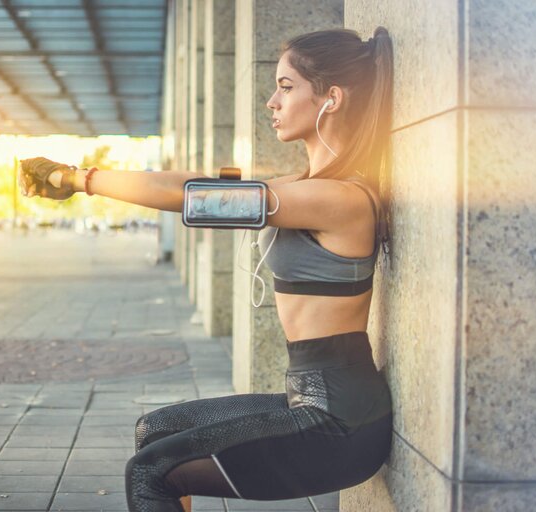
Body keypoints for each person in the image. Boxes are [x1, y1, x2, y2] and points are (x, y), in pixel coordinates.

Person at [21, 26, 394, 512]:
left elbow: (195, 198)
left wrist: (79, 179)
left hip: (340, 424)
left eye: (285, 87)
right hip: (311, 400)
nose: (271, 103)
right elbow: (195, 184)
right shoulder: (306, 186)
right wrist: (76, 176)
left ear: (332, 99)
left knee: (151, 472)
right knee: (154, 431)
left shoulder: (338, 197)